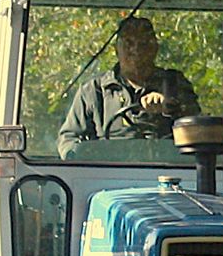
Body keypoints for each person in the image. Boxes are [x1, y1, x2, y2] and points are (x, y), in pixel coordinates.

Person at [57, 16, 200, 158]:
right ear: (116, 49)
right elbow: (68, 138)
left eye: (143, 44)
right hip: (107, 169)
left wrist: (170, 107)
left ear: (155, 48)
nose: (136, 50)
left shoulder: (174, 84)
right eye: (128, 43)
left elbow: (197, 130)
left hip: (165, 168)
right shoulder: (94, 90)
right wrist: (79, 156)